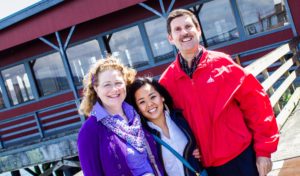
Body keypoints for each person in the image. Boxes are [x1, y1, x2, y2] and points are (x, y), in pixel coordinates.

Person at [159, 9, 279, 176]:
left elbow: (257, 105)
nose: (184, 32)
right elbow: (168, 126)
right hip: (208, 168)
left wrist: (264, 151)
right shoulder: (167, 82)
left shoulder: (223, 64)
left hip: (243, 158)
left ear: (198, 30)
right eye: (177, 29)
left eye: (188, 26)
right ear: (170, 38)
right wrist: (189, 147)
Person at [77, 57, 164, 176]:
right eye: (107, 85)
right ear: (96, 89)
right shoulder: (90, 130)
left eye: (118, 83)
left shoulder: (137, 115)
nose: (114, 89)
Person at [128, 77, 207, 176]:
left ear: (162, 97)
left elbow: (201, 141)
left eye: (152, 97)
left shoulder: (181, 119)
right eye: (142, 102)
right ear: (138, 109)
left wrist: (200, 151)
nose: (149, 104)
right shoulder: (143, 137)